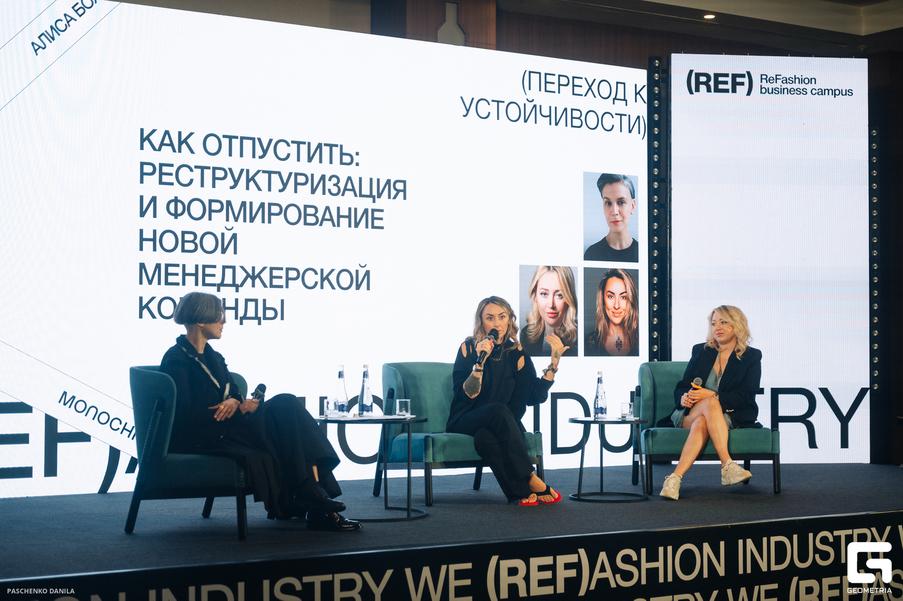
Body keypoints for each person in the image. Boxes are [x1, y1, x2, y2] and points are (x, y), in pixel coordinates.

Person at [159, 292, 361, 531]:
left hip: (230, 426)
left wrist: (236, 402)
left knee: (286, 405)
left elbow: (233, 391)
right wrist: (235, 407)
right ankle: (314, 497)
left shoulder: (215, 357)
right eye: (219, 317)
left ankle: (313, 495)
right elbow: (186, 414)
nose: (224, 322)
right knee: (284, 416)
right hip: (205, 435)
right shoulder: (176, 360)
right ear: (201, 321)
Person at [448, 296, 565, 506]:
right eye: (490, 318)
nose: (497, 323)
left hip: (499, 424)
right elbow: (466, 395)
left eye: (502, 317)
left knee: (484, 438)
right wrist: (479, 363)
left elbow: (533, 396)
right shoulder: (469, 348)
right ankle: (531, 477)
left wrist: (553, 365)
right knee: (498, 410)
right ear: (481, 321)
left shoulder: (516, 353)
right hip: (465, 419)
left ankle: (519, 494)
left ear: (509, 319)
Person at [658, 305, 763, 501]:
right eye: (714, 323)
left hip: (727, 415)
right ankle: (728, 465)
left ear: (737, 325)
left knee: (705, 415)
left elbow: (746, 396)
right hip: (689, 413)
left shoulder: (751, 356)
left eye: (724, 322)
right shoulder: (701, 350)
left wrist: (713, 395)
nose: (718, 327)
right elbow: (683, 385)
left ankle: (674, 479)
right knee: (709, 403)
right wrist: (683, 397)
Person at [520, 266, 578, 357]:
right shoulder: (525, 335)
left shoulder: (580, 339)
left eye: (559, 295)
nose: (551, 304)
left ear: (569, 298)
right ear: (535, 296)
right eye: (544, 294)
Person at [584, 173, 639, 262]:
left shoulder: (643, 253)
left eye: (621, 202)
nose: (614, 212)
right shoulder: (591, 254)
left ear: (632, 206)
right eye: (608, 203)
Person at [586, 269, 639, 356]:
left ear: (631, 300)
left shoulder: (642, 341)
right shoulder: (588, 344)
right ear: (602, 300)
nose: (616, 306)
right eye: (610, 296)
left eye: (623, 297)